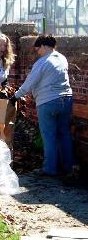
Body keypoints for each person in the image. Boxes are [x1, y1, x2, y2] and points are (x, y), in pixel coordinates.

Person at [10, 34, 74, 176]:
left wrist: (15, 97)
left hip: (48, 102)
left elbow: (29, 83)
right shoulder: (62, 59)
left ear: (44, 46)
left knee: (49, 136)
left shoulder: (42, 62)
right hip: (67, 99)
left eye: (37, 48)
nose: (37, 52)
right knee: (64, 134)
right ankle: (68, 168)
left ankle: (50, 169)